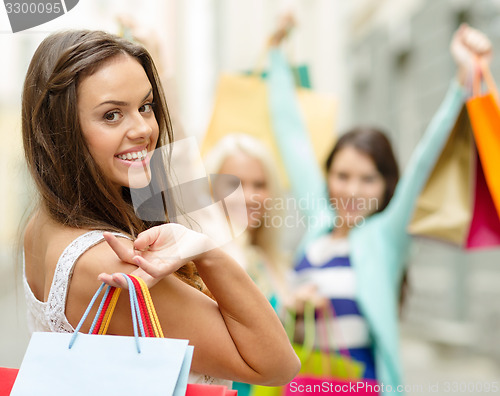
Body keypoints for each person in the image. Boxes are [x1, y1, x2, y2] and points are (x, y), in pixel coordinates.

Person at [21, 29, 300, 387]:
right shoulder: (108, 264)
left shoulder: (44, 223)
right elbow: (276, 365)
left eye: (146, 106)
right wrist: (206, 253)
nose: (142, 129)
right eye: (111, 115)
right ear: (61, 129)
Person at [267, 24, 491, 391]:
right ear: (327, 178)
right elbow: (292, 140)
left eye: (367, 179)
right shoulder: (318, 224)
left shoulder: (386, 237)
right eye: (342, 175)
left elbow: (424, 163)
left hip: (361, 386)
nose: (352, 190)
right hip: (304, 384)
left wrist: (463, 80)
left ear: (387, 185)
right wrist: (276, 58)